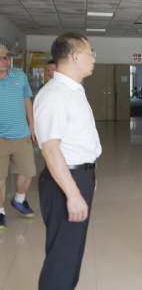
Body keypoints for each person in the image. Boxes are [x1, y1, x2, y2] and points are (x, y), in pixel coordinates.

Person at [33, 33, 101, 289]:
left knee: (72, 253)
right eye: (91, 53)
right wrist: (72, 193)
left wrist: (89, 173)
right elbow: (50, 151)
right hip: (64, 181)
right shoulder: (55, 95)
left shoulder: (74, 90)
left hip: (78, 176)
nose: (94, 59)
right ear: (75, 57)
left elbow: (77, 140)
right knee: (62, 256)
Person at [0, 44, 37, 231]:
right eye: (0, 58)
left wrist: (32, 125)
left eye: (6, 57)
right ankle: (0, 212)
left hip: (21, 135)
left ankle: (19, 200)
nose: (4, 61)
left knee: (28, 171)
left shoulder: (20, 76)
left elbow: (27, 99)